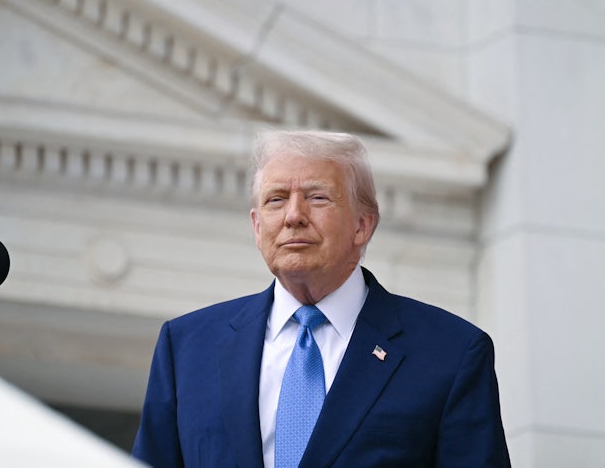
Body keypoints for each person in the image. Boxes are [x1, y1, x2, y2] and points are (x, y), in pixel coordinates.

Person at [132, 130, 511, 467]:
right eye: (276, 199)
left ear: (362, 224)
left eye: (317, 197)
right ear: (257, 226)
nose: (293, 216)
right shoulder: (186, 347)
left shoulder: (450, 353)